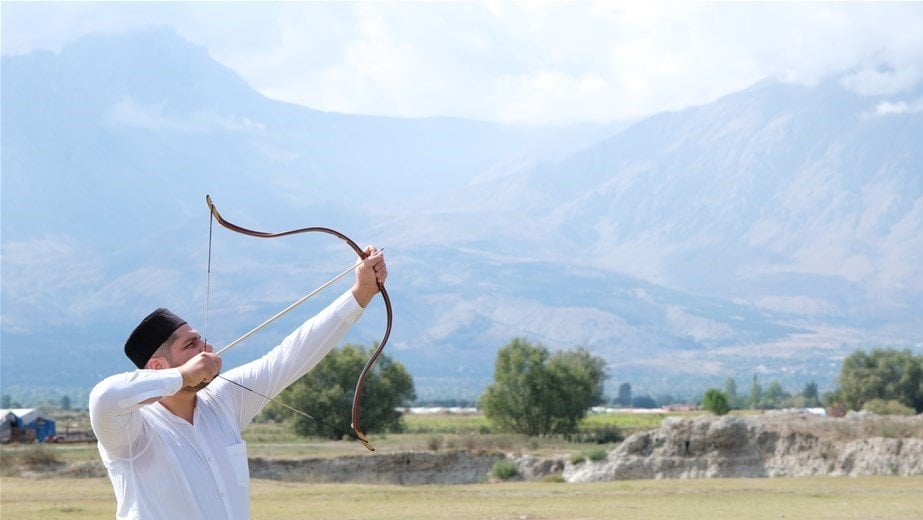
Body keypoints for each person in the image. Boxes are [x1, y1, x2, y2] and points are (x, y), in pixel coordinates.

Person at [89, 248, 387, 519]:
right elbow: (104, 397)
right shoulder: (131, 432)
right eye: (192, 344)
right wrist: (182, 376)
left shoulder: (224, 398)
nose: (207, 348)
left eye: (201, 339)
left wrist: (360, 294)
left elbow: (289, 357)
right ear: (157, 366)